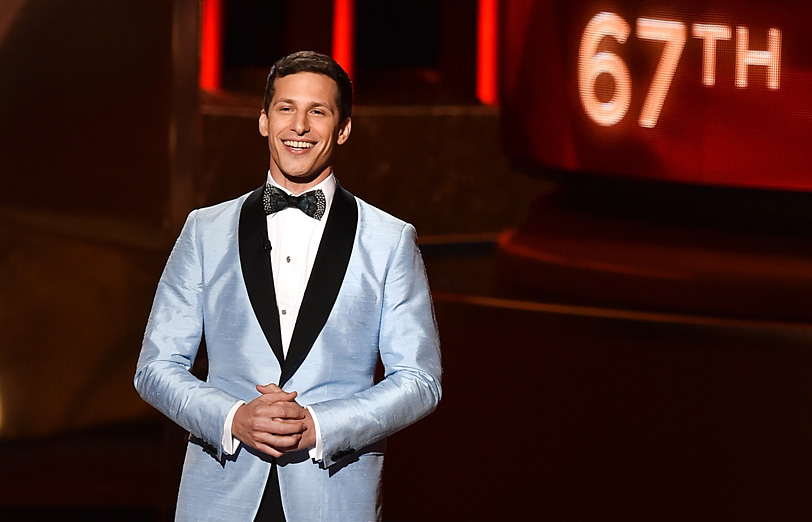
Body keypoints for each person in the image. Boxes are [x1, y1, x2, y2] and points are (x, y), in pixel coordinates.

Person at [134, 51, 442, 521]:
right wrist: (233, 417)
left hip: (333, 493)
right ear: (263, 120)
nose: (299, 125)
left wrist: (320, 425)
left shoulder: (389, 240)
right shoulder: (205, 230)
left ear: (342, 129)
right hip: (221, 494)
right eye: (286, 108)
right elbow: (155, 367)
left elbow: (420, 381)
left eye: (317, 111)